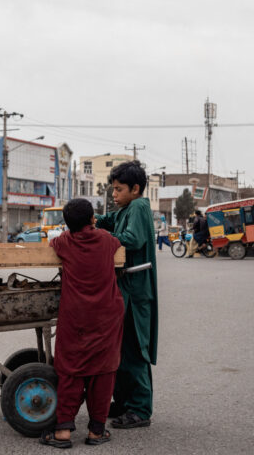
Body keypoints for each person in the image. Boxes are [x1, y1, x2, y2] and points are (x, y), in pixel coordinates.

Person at [40, 199, 123, 448]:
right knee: (103, 369)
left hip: (76, 317)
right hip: (107, 316)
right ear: (93, 220)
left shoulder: (64, 241)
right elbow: (118, 243)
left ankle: (63, 431)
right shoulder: (107, 240)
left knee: (70, 368)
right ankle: (96, 431)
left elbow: (54, 242)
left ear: (67, 224)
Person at [95, 160, 157, 429]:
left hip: (136, 290)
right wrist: (90, 219)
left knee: (134, 351)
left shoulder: (140, 207)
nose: (114, 195)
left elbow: (132, 239)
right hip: (124, 290)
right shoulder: (125, 209)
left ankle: (140, 409)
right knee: (118, 350)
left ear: (135, 188)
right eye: (113, 190)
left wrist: (102, 237)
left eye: (119, 189)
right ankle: (122, 402)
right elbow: (108, 220)